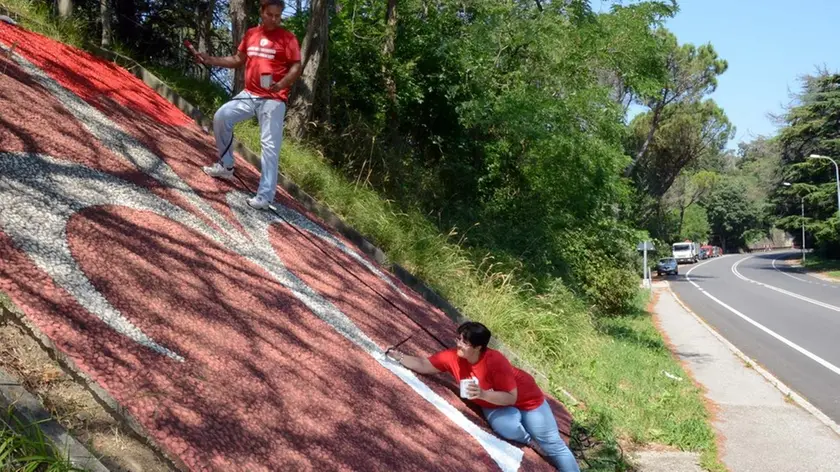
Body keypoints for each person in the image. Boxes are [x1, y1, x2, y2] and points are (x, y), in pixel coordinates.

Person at [390, 322, 580, 472]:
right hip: (494, 402)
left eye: (464, 342)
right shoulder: (453, 357)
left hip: (527, 399)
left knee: (553, 444)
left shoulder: (495, 361)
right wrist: (400, 357)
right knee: (505, 427)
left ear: (478, 347)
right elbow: (425, 364)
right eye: (458, 338)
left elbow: (510, 398)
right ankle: (530, 440)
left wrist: (481, 393)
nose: (458, 344)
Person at [194, 0, 301, 209]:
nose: (274, 19)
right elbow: (237, 59)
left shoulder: (288, 38)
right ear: (262, 12)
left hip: (273, 99)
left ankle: (265, 196)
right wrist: (210, 59)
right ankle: (226, 166)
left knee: (270, 146)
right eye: (270, 14)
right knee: (221, 117)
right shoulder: (252, 34)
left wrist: (281, 85)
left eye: (278, 16)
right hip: (250, 94)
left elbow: (296, 67)